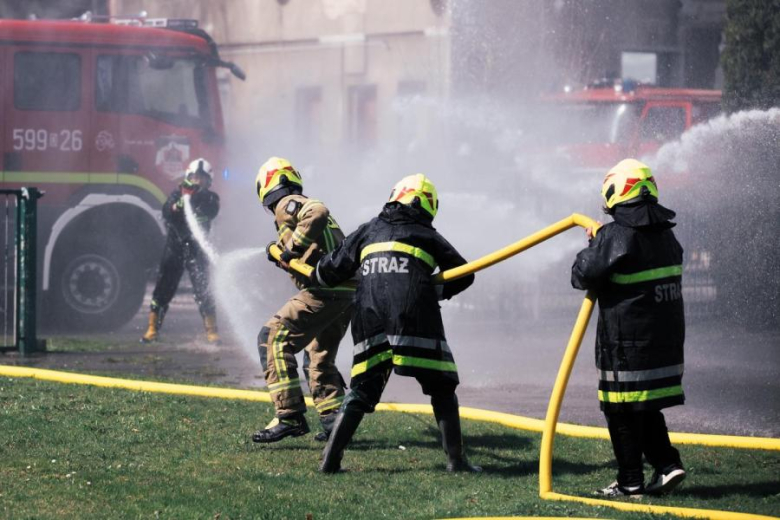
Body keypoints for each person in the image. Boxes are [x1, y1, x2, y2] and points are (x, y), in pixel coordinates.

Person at [312, 173, 481, 474]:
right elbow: (464, 273)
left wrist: (311, 269)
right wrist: (431, 290)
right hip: (414, 317)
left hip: (368, 317)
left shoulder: (368, 230)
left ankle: (330, 461)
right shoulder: (425, 234)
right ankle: (456, 462)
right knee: (442, 386)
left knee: (361, 390)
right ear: (426, 204)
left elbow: (329, 271)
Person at [571, 158, 686, 498]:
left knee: (620, 409)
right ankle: (667, 465)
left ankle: (630, 482)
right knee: (644, 405)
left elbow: (582, 274)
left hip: (626, 346)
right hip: (664, 343)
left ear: (614, 191)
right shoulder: (666, 234)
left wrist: (596, 241)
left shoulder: (616, 234)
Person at [252, 157, 353, 443]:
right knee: (318, 355)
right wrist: (282, 253)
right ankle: (335, 422)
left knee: (272, 338)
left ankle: (289, 416)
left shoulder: (288, 202)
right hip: (346, 292)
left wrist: (292, 249)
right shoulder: (295, 206)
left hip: (325, 290)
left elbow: (317, 212)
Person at [141, 158, 220, 344]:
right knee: (163, 288)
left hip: (197, 251)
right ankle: (152, 329)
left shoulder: (210, 198)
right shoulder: (177, 194)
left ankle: (212, 331)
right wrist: (179, 204)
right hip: (175, 248)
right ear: (188, 177)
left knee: (203, 289)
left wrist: (195, 197)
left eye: (201, 178)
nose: (197, 180)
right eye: (194, 177)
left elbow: (212, 210)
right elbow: (167, 212)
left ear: (208, 181)